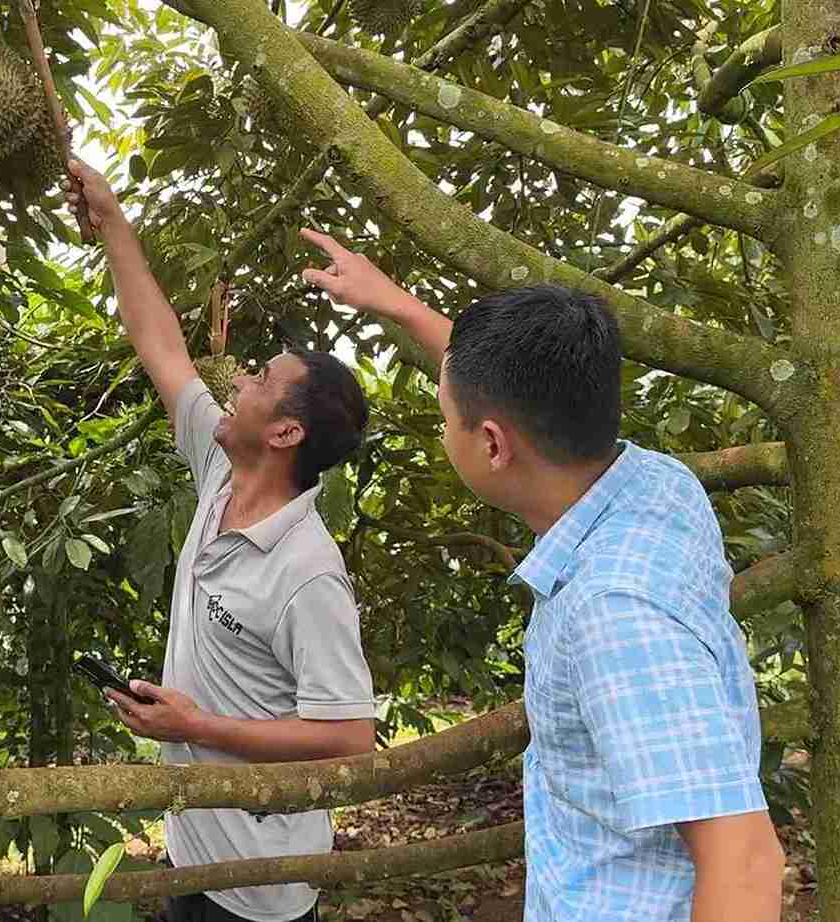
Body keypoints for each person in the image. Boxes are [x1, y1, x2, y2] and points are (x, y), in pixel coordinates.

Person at [298, 229, 785, 922]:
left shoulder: (614, 614)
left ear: (492, 444)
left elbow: (746, 862)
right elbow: (509, 388)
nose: (445, 426)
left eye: (446, 417)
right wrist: (397, 304)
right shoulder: (655, 483)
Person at [62, 160, 378, 922]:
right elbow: (161, 346)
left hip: (262, 885)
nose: (236, 383)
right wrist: (111, 220)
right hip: (193, 846)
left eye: (259, 380)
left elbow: (350, 739)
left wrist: (192, 726)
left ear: (286, 433)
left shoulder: (307, 572)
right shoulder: (219, 471)